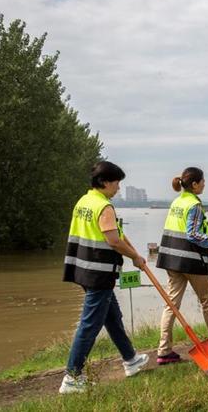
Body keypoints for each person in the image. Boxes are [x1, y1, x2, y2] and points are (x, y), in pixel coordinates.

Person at [60, 161, 149, 394]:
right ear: (104, 182)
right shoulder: (104, 206)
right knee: (90, 324)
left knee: (112, 317)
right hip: (99, 271)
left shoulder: (84, 201)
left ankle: (131, 359)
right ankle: (72, 376)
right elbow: (113, 241)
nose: (118, 188)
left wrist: (133, 251)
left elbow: (116, 234)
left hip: (82, 268)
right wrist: (136, 258)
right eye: (117, 182)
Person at [155, 167, 208, 364]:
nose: (205, 184)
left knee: (171, 305)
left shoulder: (177, 202)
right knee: (207, 300)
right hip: (191, 261)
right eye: (203, 181)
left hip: (171, 260)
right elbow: (193, 235)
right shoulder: (194, 205)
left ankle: (163, 351)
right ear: (195, 184)